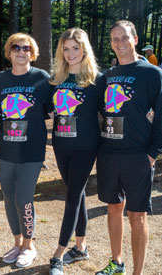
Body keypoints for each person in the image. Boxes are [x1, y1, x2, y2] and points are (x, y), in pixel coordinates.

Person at [96, 20, 162, 275]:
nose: (120, 43)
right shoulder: (108, 75)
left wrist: (153, 154)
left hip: (138, 155)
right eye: (115, 39)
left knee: (137, 216)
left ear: (135, 39)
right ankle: (117, 263)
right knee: (113, 209)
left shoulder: (151, 72)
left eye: (125, 37)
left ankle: (138, 273)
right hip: (109, 153)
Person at [0, 33, 52, 268]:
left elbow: (53, 110)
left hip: (31, 149)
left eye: (26, 48)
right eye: (15, 47)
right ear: (9, 52)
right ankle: (17, 242)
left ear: (32, 52)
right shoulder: (0, 79)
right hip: (5, 148)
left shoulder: (42, 78)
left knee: (24, 198)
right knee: (8, 197)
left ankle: (29, 245)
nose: (20, 51)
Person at [47, 28, 102, 275]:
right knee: (75, 194)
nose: (71, 53)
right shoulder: (56, 79)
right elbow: (46, 109)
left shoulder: (96, 79)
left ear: (84, 49)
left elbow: (113, 110)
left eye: (75, 48)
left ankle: (59, 253)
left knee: (72, 195)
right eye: (66, 49)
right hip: (60, 144)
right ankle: (81, 247)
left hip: (85, 146)